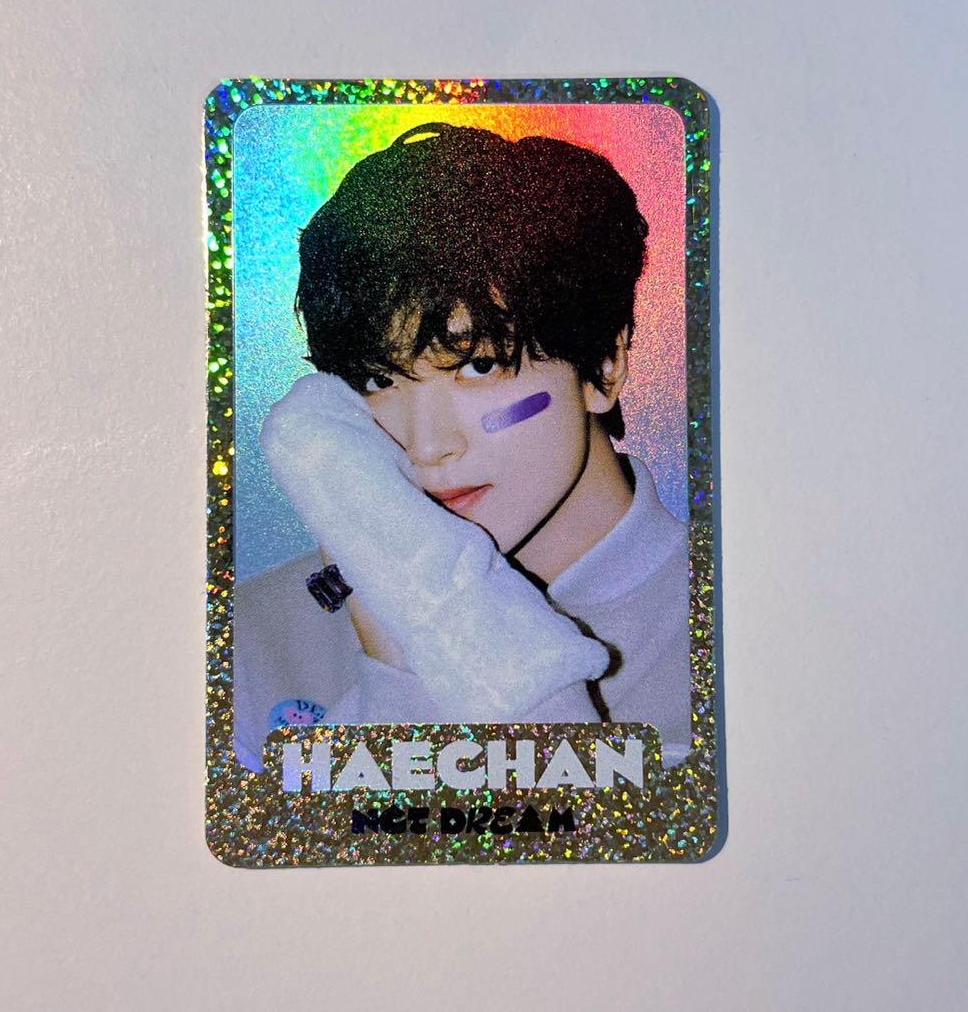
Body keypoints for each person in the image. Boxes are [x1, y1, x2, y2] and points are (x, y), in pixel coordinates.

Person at [233, 122, 691, 772]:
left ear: (604, 366)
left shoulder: (737, 623)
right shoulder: (254, 633)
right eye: (378, 380)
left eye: (477, 366)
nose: (427, 446)